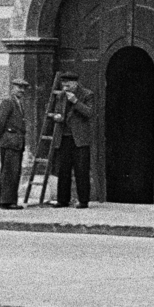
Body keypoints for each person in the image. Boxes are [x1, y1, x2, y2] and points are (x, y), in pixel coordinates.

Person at [42, 70, 94, 208]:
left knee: (81, 170)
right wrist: (56, 117)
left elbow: (89, 112)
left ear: (75, 83)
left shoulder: (87, 94)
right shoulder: (61, 96)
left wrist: (75, 101)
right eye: (63, 83)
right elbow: (56, 111)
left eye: (68, 84)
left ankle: (83, 201)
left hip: (79, 139)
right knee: (63, 170)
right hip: (64, 137)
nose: (65, 86)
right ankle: (62, 200)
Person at [0, 78, 32, 210]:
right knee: (10, 172)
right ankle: (8, 202)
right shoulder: (8, 102)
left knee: (10, 171)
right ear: (12, 88)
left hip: (15, 142)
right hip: (10, 142)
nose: (21, 90)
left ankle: (2, 200)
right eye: (18, 87)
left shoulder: (18, 103)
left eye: (23, 88)